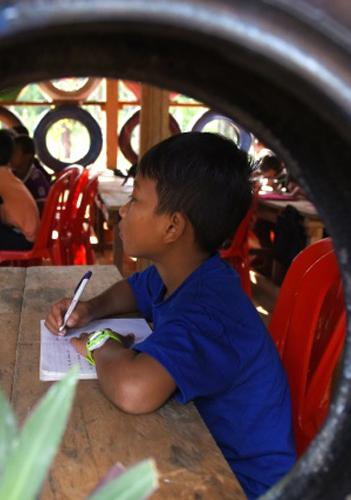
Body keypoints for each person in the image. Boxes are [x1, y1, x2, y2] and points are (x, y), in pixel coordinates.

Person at [43, 132, 296, 498]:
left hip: (242, 482)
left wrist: (101, 343)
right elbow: (134, 288)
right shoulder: (183, 273)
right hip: (200, 443)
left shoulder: (211, 312)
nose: (122, 211)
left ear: (173, 227)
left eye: (134, 200)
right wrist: (89, 309)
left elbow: (133, 389)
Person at [10, 134, 52, 211]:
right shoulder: (14, 174)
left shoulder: (36, 179)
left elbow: (42, 210)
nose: (10, 156)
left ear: (27, 156)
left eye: (14, 152)